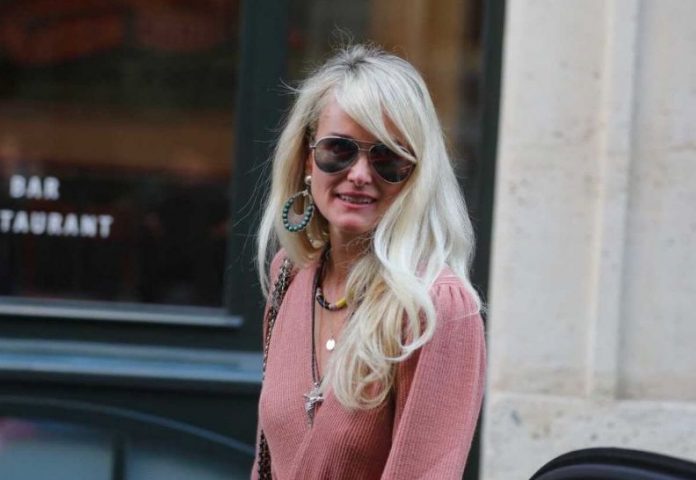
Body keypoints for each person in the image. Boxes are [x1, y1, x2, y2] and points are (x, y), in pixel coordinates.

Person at [252, 44, 486, 480]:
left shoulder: (435, 306)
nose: (360, 175)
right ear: (306, 158)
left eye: (387, 158)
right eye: (339, 150)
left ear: (416, 174)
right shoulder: (290, 274)